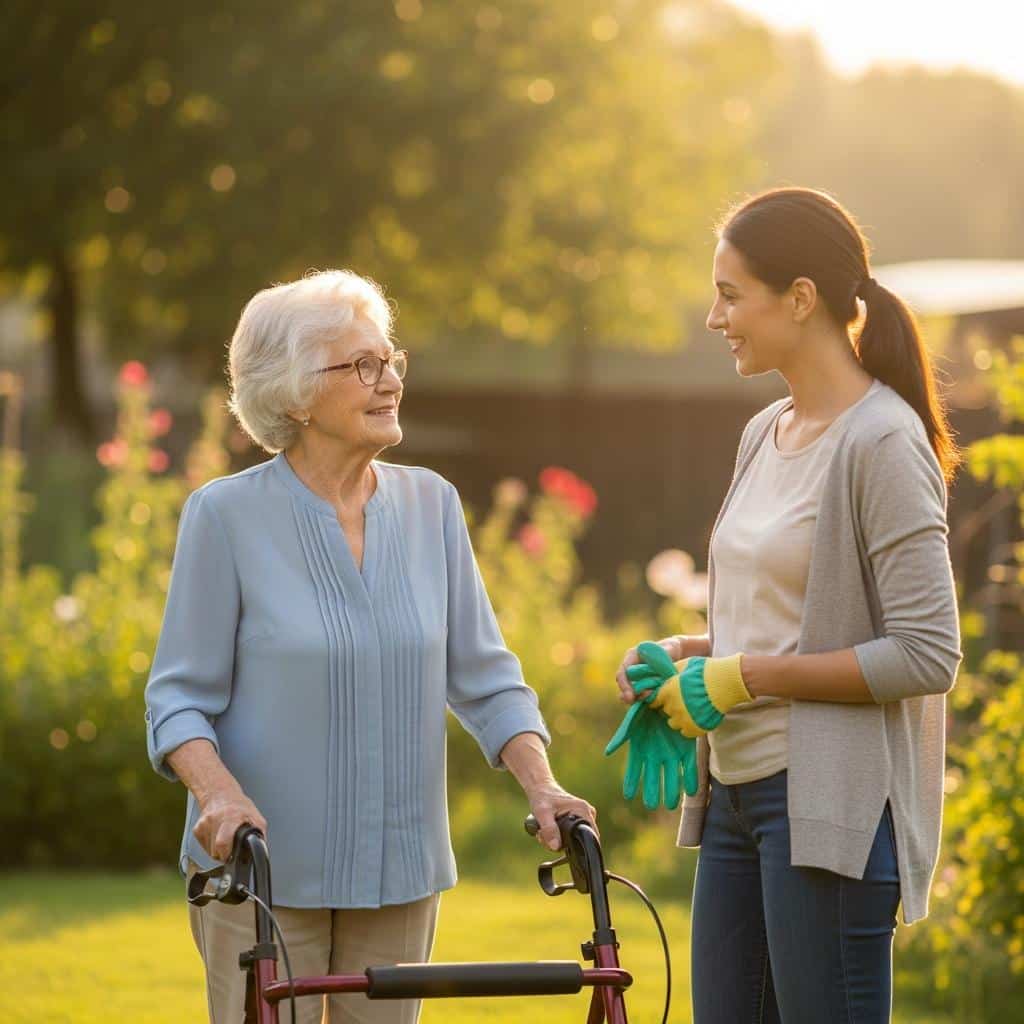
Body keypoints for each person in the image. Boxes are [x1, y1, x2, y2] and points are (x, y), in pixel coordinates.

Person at [144, 269, 595, 1024]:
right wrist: (217, 796)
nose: (388, 381)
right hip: (262, 868)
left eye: (389, 360)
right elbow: (178, 696)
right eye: (360, 365)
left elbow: (485, 678)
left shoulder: (432, 505)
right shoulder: (225, 516)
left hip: (400, 870)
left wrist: (543, 786)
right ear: (293, 395)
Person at [611, 187, 961, 1023]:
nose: (713, 318)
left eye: (730, 295)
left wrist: (748, 677)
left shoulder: (883, 441)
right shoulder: (765, 430)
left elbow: (926, 652)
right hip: (734, 795)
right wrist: (691, 657)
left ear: (800, 297)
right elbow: (778, 621)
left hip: (825, 807)